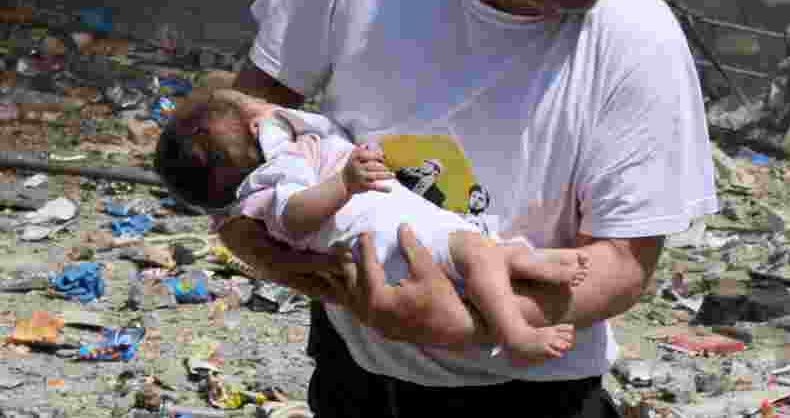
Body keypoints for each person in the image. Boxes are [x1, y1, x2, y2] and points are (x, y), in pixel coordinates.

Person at [217, 0, 717, 418]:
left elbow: (623, 261)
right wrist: (298, 263)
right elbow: (247, 122)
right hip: (354, 374)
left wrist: (469, 323)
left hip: (531, 394)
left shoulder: (640, 37)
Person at [154, 88, 587, 364]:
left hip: (413, 229)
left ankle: (522, 262)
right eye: (256, 117)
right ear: (254, 137)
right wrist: (343, 185)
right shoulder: (269, 185)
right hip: (392, 249)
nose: (265, 113)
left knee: (483, 253)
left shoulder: (286, 156)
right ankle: (514, 332)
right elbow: (295, 215)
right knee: (476, 257)